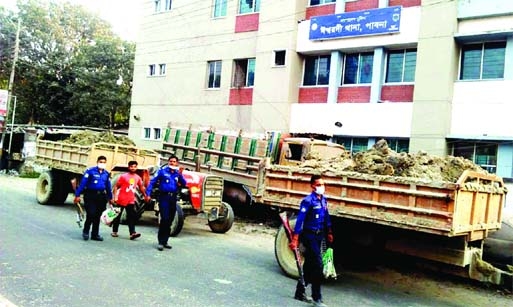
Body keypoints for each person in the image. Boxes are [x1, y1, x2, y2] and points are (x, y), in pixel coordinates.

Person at [289, 174, 333, 307]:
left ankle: (299, 292)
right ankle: (316, 297)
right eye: (319, 185)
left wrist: (329, 231)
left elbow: (326, 217)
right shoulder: (308, 201)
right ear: (313, 186)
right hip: (309, 236)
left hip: (320, 235)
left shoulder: (323, 200)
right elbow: (300, 220)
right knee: (318, 266)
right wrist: (295, 238)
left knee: (309, 265)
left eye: (323, 184)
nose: (322, 187)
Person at [146, 155, 187, 251]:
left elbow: (184, 184)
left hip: (173, 198)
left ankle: (165, 241)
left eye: (174, 162)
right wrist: (148, 194)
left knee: (170, 220)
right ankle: (160, 242)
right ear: (168, 162)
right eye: (171, 161)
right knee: (164, 218)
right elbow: (152, 182)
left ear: (177, 163)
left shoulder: (177, 173)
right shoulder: (162, 171)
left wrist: (180, 174)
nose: (172, 163)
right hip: (163, 197)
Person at [74, 155, 113, 241]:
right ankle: (86, 231)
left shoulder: (106, 174)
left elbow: (108, 187)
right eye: (101, 162)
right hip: (90, 195)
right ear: (97, 162)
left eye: (104, 162)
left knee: (97, 216)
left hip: (101, 197)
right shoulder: (90, 171)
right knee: (91, 214)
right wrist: (77, 195)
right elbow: (83, 184)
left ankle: (95, 234)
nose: (102, 164)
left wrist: (110, 198)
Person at [111, 160, 150, 240]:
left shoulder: (138, 178)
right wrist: (115, 197)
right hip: (121, 200)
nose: (133, 168)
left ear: (136, 167)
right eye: (131, 166)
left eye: (135, 167)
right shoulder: (123, 176)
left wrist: (145, 195)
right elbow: (116, 187)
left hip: (130, 200)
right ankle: (114, 231)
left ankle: (132, 233)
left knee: (131, 217)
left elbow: (141, 188)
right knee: (117, 216)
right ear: (128, 167)